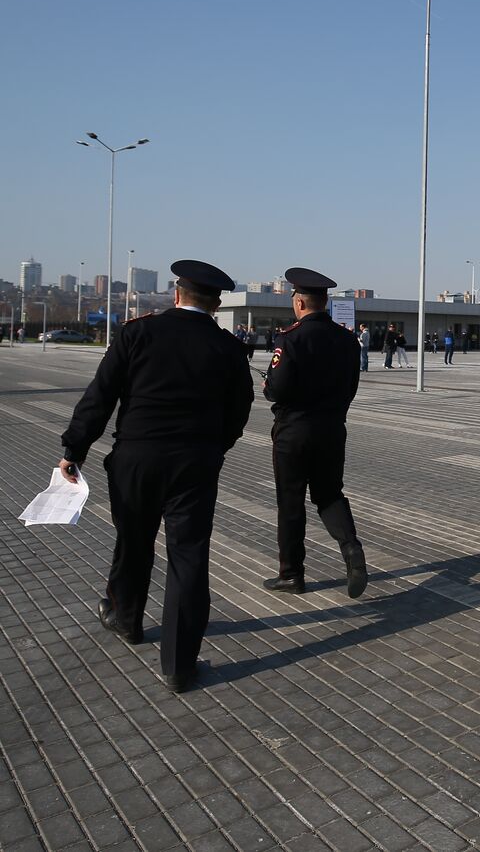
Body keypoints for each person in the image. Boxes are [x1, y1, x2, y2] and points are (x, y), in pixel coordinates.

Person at [58, 260, 252, 693]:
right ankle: (179, 667)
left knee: (134, 541)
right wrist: (214, 448)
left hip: (136, 459)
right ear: (217, 303)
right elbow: (239, 410)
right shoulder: (227, 348)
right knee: (188, 557)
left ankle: (127, 621)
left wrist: (74, 450)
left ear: (176, 294)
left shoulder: (136, 333)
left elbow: (100, 396)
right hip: (194, 463)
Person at [261, 267, 369, 600]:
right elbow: (351, 387)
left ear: (300, 302)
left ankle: (291, 574)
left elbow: (276, 389)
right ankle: (351, 549)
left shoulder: (291, 338)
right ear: (325, 303)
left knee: (291, 502)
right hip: (332, 430)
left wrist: (268, 385)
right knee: (330, 494)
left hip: (294, 432)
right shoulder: (346, 340)